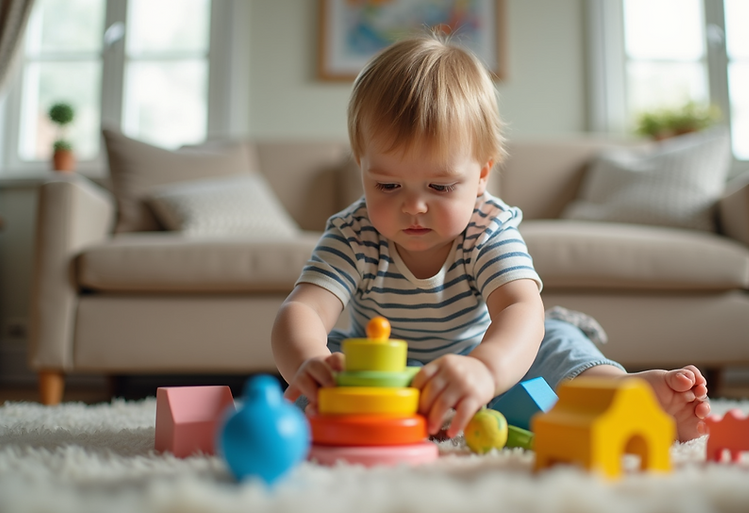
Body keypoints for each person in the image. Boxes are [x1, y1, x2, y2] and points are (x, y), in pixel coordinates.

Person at [271, 33, 710, 442]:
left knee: (553, 339)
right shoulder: (355, 234)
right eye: (387, 185)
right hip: (382, 375)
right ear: (361, 165)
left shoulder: (487, 228)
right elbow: (305, 308)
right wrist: (309, 360)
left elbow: (520, 306)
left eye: (440, 187)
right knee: (330, 368)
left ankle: (624, 396)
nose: (414, 206)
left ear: (482, 175)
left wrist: (485, 369)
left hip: (491, 367)